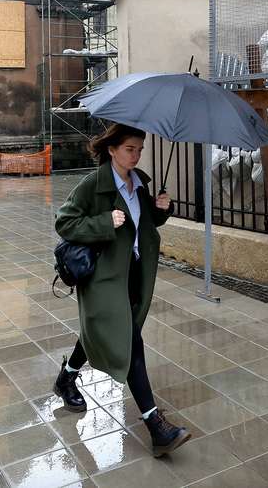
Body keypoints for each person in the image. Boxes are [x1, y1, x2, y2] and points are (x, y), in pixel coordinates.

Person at [52, 123, 191, 457]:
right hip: (102, 277)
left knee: (105, 331)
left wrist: (161, 210)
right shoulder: (92, 184)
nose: (136, 154)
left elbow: (143, 225)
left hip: (132, 274)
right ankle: (155, 424)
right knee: (129, 340)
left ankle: (66, 377)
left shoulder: (139, 181)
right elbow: (64, 222)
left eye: (140, 149)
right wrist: (103, 222)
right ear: (112, 149)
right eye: (130, 149)